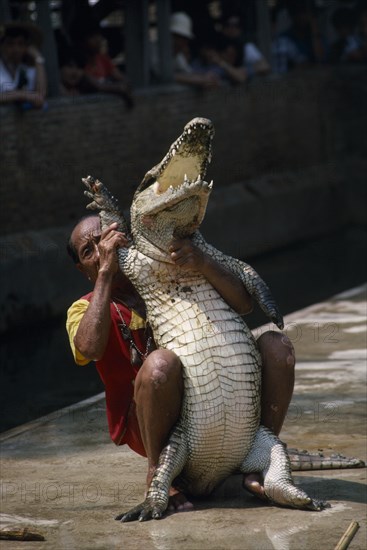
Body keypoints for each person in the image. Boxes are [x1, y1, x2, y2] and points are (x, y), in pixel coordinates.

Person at [66, 214, 295, 508]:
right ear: (81, 269)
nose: (102, 251)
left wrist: (203, 262)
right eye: (89, 251)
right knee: (161, 363)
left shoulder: (168, 274)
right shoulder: (82, 308)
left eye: (106, 238)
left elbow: (244, 304)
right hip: (147, 424)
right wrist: (106, 274)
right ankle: (159, 475)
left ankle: (256, 459)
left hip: (212, 400)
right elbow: (90, 347)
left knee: (277, 346)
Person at [76, 25, 134, 109]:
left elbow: (120, 77)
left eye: (99, 36)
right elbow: (99, 86)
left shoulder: (103, 59)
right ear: (83, 41)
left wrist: (124, 84)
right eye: (92, 37)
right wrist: (119, 88)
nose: (98, 40)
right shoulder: (79, 63)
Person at [0, 22, 47, 108]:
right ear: (2, 46)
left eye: (20, 44)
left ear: (26, 47)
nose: (16, 49)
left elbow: (40, 97)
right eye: (10, 44)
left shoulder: (26, 70)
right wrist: (21, 95)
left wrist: (38, 59)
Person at [271, 1, 327, 74]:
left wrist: (314, 30)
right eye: (298, 13)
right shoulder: (284, 39)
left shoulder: (318, 37)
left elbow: (321, 60)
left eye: (305, 13)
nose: (302, 17)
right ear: (292, 15)